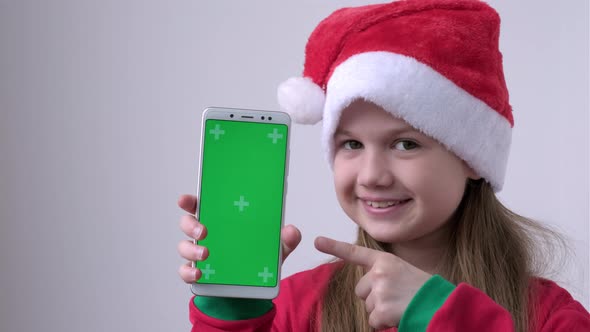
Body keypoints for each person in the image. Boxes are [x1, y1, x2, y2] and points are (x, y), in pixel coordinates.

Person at [177, 0, 590, 331]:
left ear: (472, 158)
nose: (372, 175)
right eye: (351, 144)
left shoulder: (551, 318)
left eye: (405, 144)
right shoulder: (297, 308)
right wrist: (231, 317)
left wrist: (445, 318)